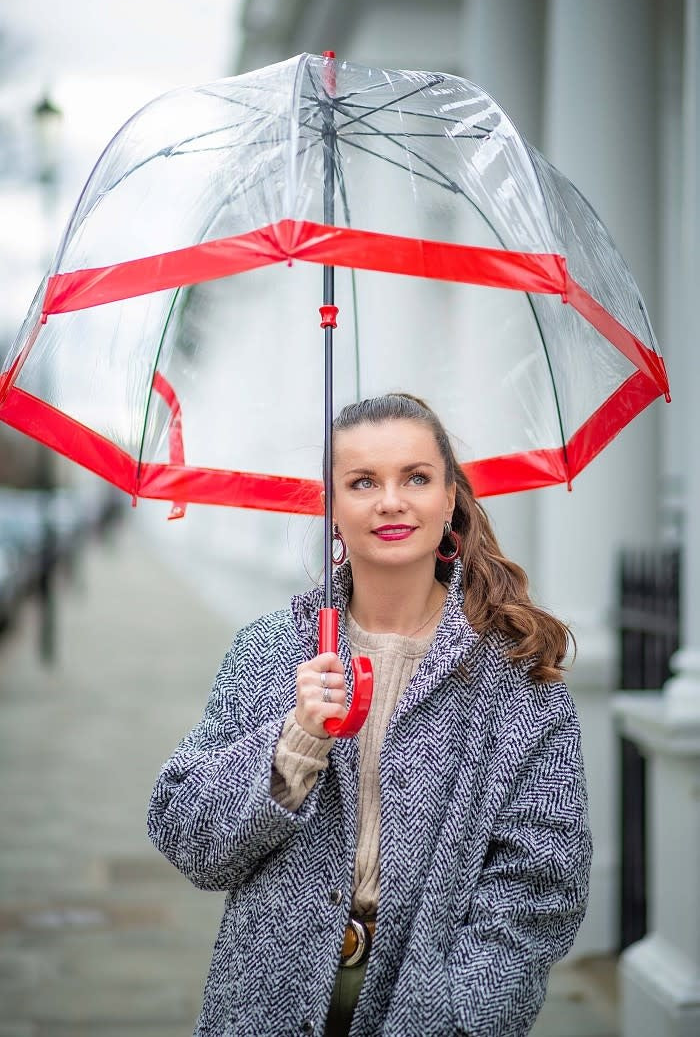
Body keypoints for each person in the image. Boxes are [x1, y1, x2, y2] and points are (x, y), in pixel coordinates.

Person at [147, 393, 592, 1037]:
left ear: (449, 503)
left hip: (430, 1012)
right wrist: (293, 742)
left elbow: (541, 889)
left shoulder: (517, 677)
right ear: (332, 510)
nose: (391, 501)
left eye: (416, 478)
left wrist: (453, 1013)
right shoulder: (268, 652)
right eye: (362, 482)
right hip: (265, 1004)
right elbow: (188, 839)